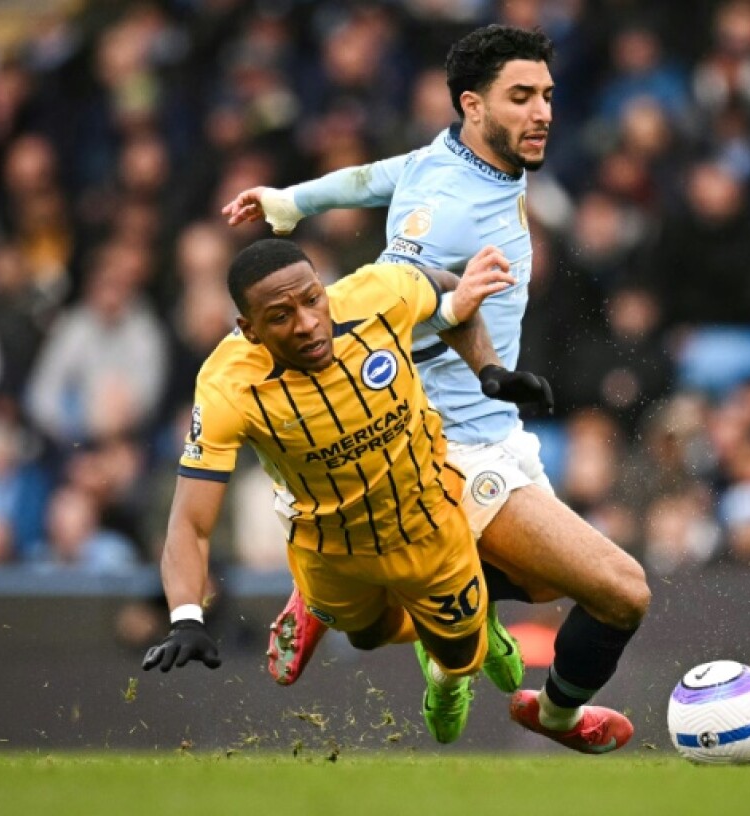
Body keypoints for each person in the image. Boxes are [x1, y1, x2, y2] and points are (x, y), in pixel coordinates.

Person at [222, 24, 650, 753]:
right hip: (444, 447)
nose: (542, 112)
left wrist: (293, 201)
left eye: (547, 94)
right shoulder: (448, 207)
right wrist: (452, 313)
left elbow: (381, 174)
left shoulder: (450, 159)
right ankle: (550, 716)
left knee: (545, 586)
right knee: (621, 591)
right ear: (473, 105)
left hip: (494, 435)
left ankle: (354, 592)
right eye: (521, 97)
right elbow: (372, 316)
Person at [142, 238, 554, 745]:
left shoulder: (377, 294)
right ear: (248, 329)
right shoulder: (227, 386)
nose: (307, 322)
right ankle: (317, 605)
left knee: (462, 655)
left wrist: (489, 370)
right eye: (280, 316)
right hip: (328, 546)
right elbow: (190, 521)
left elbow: (448, 288)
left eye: (313, 299)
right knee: (368, 634)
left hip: (424, 520)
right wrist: (186, 616)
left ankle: (449, 673)